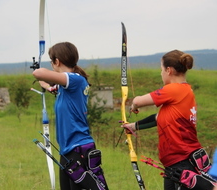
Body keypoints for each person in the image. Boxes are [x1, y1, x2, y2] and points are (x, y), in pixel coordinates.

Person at [121, 50, 216, 190]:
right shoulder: (184, 93)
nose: (161, 74)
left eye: (161, 70)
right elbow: (158, 118)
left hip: (183, 163)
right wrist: (133, 126)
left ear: (169, 70)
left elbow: (139, 101)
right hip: (175, 163)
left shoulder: (174, 90)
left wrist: (133, 104)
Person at [32, 42, 109, 190]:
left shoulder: (75, 79)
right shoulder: (65, 86)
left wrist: (39, 72)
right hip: (67, 150)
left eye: (51, 60)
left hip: (78, 149)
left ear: (57, 61)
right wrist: (47, 86)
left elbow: (39, 73)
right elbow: (53, 87)